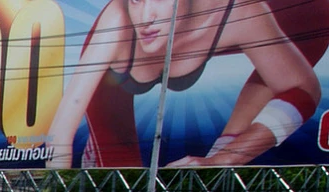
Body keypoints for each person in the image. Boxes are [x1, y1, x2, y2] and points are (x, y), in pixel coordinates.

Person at [43, 0, 327, 171]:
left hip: (233, 29)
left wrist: (225, 159)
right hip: (110, 88)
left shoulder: (237, 13)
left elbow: (304, 89)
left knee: (212, 175)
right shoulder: (118, 20)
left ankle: (222, 151)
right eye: (136, 0)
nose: (146, 17)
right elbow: (61, 132)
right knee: (122, 180)